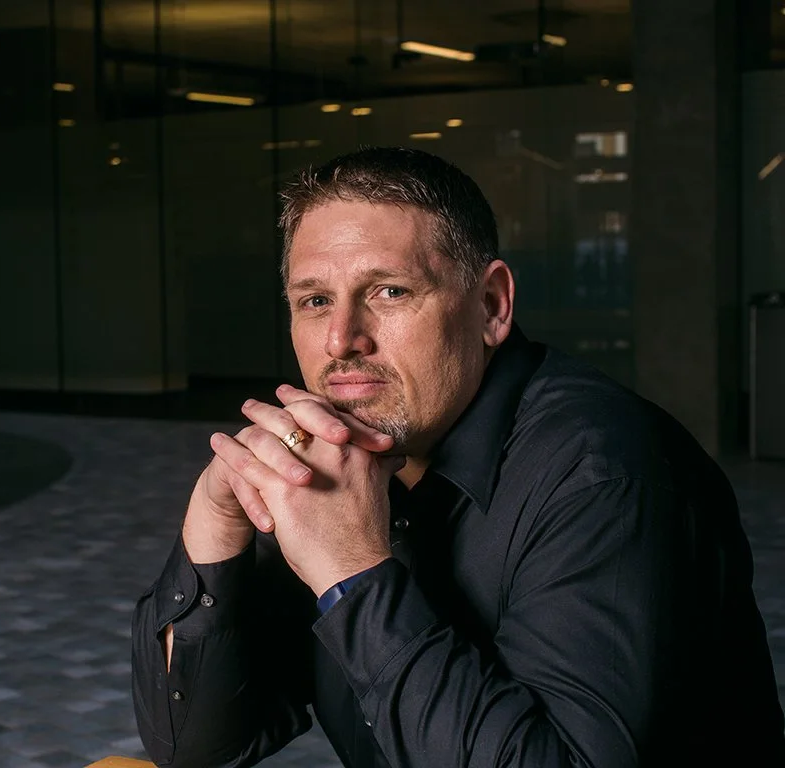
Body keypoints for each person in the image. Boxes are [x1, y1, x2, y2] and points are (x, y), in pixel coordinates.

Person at [129, 147, 785, 768]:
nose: (340, 339)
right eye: (315, 301)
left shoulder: (606, 477)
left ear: (491, 306)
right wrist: (214, 528)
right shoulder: (331, 467)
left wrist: (352, 572)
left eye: (389, 291)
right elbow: (195, 747)